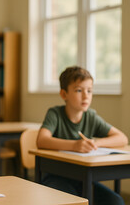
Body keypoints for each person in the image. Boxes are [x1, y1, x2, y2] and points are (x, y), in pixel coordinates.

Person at [37, 66, 128, 205]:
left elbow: (122, 138)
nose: (86, 96)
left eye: (89, 91)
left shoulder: (91, 116)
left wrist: (95, 143)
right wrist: (74, 145)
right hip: (56, 177)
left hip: (83, 177)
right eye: (79, 90)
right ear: (64, 94)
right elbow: (42, 140)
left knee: (116, 201)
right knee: (76, 202)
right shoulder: (55, 114)